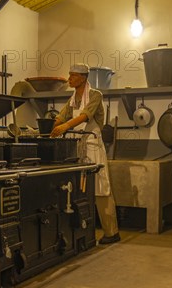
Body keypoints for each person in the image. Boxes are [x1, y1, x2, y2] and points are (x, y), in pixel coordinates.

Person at [50, 63, 120, 244]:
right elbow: (62, 115)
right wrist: (53, 127)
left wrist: (65, 126)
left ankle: (111, 232)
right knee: (79, 189)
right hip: (78, 148)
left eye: (72, 76)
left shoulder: (95, 95)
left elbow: (85, 116)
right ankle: (83, 231)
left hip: (92, 145)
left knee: (100, 188)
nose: (69, 79)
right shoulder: (73, 98)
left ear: (83, 77)